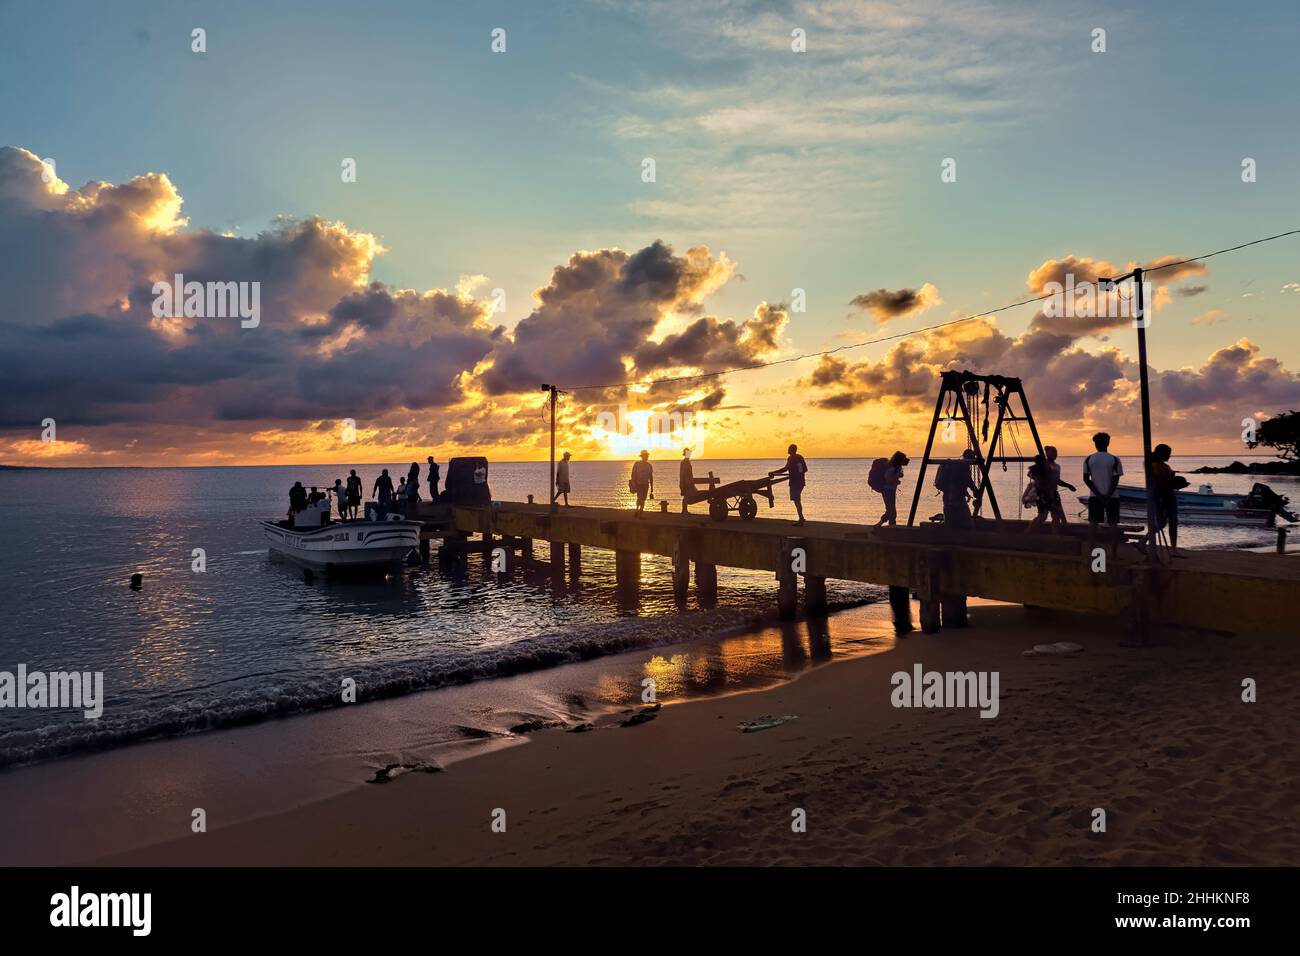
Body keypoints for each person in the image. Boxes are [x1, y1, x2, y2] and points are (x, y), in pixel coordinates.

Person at [1026, 446, 1076, 533]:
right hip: (1043, 494)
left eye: (1056, 452)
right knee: (1042, 516)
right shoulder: (1042, 464)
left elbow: (1057, 481)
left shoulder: (1057, 466)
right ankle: (1027, 532)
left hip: (1054, 493)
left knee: (1056, 516)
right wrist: (1039, 480)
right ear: (1047, 454)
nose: (1055, 454)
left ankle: (1055, 537)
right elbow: (1030, 473)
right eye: (1052, 452)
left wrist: (1068, 485)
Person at [1083, 432, 1124, 527]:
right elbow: (1115, 479)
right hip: (1112, 496)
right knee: (1113, 523)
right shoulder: (1115, 459)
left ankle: (1091, 542)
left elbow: (1086, 479)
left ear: (1095, 444)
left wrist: (1099, 495)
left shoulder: (1089, 459)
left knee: (1093, 523)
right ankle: (1114, 542)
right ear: (1108, 443)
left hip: (1095, 496)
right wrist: (1108, 495)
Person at [1151, 443, 1186, 548]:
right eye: (1169, 454)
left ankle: (1173, 547)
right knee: (1163, 522)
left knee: (1171, 522)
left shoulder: (1165, 466)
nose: (1170, 456)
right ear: (1162, 454)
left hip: (1169, 495)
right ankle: (1144, 541)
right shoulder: (1155, 466)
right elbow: (1158, 482)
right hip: (1162, 497)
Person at [935, 449, 979, 530]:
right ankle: (963, 539)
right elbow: (968, 480)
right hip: (958, 499)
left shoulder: (956, 465)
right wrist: (975, 490)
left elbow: (957, 482)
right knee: (967, 523)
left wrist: (967, 493)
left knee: (950, 521)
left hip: (948, 497)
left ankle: (949, 537)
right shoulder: (963, 466)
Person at [772, 443, 809, 526]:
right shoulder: (800, 457)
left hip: (795, 482)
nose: (787, 450)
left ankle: (801, 519)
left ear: (791, 450)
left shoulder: (791, 458)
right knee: (797, 500)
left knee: (797, 500)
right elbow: (805, 469)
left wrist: (774, 472)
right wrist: (797, 472)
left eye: (788, 448)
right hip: (801, 482)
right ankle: (801, 518)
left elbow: (785, 469)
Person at [629, 450, 654, 518]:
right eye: (645, 456)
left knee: (642, 499)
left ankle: (637, 511)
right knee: (640, 498)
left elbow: (651, 476)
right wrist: (633, 482)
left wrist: (652, 487)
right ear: (642, 457)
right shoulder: (637, 464)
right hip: (638, 484)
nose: (646, 457)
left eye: (646, 456)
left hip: (645, 484)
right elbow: (633, 474)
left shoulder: (649, 465)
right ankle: (639, 513)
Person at [679, 448, 695, 514]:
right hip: (685, 481)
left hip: (689, 481)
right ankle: (684, 510)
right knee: (686, 496)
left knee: (687, 495)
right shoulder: (684, 462)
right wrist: (682, 482)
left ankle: (684, 510)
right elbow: (682, 473)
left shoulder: (688, 461)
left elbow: (690, 473)